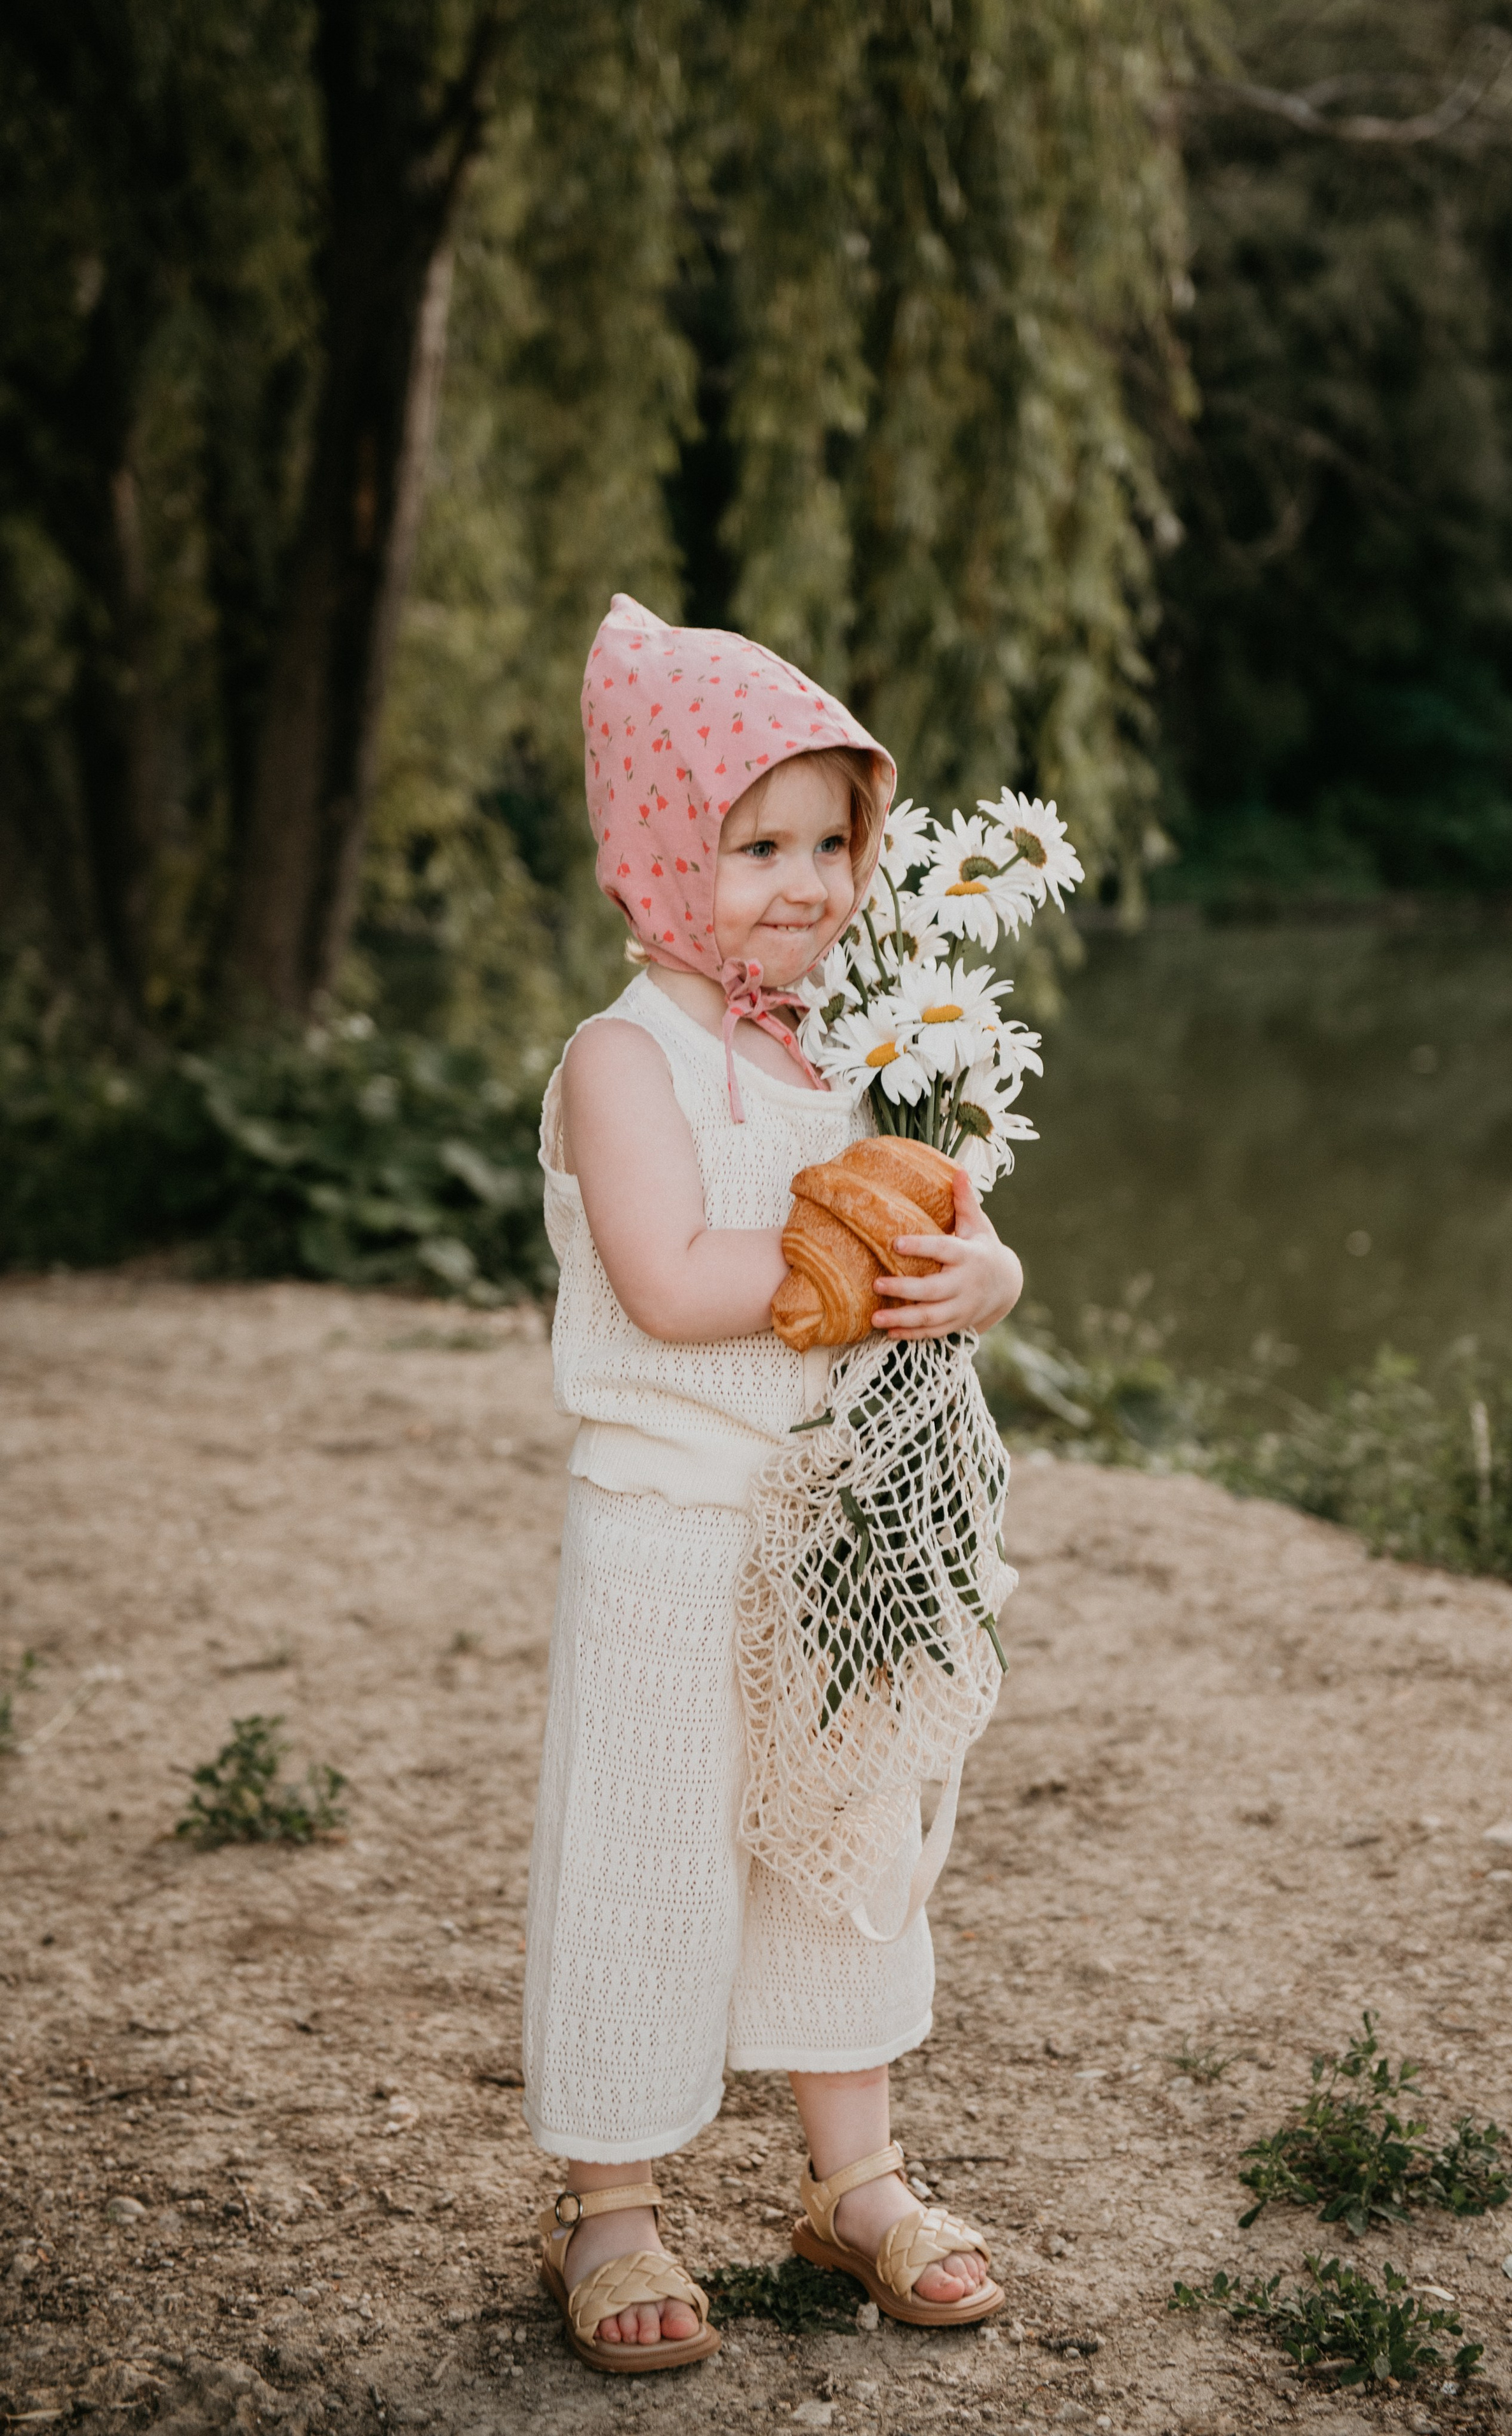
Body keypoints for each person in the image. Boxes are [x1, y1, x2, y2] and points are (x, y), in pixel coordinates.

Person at [529, 596, 1023, 2372]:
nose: (806, 883)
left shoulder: (856, 1052)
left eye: (834, 841)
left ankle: (856, 2177)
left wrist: (980, 1275)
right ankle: (613, 2201)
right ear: (661, 849)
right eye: (757, 845)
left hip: (838, 1534)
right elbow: (670, 1275)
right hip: (672, 1532)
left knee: (838, 1848)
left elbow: (948, 1220)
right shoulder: (625, 1061)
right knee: (650, 1853)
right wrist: (850, 1259)